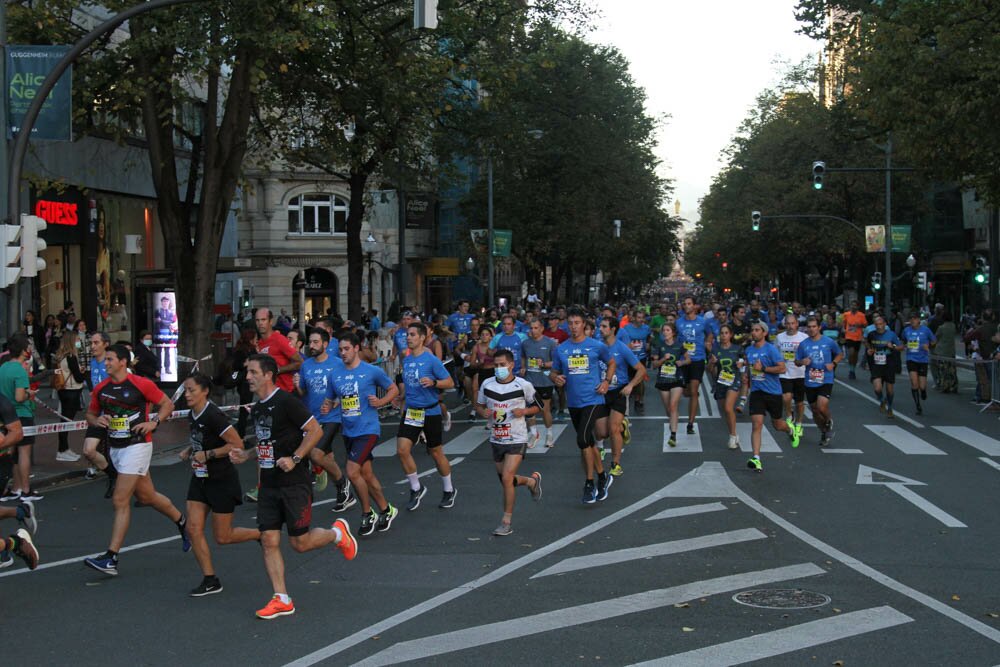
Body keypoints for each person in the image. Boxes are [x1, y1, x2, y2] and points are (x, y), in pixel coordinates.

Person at [229, 354, 357, 619]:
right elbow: (268, 442)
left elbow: (315, 431)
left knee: (299, 543)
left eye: (253, 372)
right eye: (247, 372)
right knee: (268, 539)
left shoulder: (286, 401)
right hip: (268, 484)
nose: (248, 377)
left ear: (268, 374)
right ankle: (282, 598)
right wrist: (248, 455)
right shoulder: (259, 406)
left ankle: (337, 534)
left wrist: (296, 458)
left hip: (294, 483)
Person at [83, 344, 191, 576]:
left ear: (123, 362)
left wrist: (154, 422)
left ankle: (111, 558)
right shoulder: (101, 388)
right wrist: (96, 421)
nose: (107, 363)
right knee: (147, 496)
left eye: (110, 359)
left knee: (120, 499)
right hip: (116, 448)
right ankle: (183, 522)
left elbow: (167, 404)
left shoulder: (141, 384)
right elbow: (90, 413)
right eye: (107, 360)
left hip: (138, 446)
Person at [178, 374, 261, 596]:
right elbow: (200, 439)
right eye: (185, 390)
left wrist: (210, 454)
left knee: (223, 537)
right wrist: (190, 449)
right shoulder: (191, 414)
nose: (187, 394)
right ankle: (210, 579)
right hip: (200, 478)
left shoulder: (214, 415)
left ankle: (259, 534)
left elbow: (236, 443)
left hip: (221, 479)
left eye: (191, 390)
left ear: (205, 391)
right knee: (193, 528)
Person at [330, 332, 399, 537]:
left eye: (346, 349)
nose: (342, 353)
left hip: (368, 429)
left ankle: (368, 514)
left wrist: (381, 402)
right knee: (366, 475)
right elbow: (332, 398)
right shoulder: (336, 374)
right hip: (349, 430)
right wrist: (328, 405)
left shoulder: (370, 371)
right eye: (340, 350)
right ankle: (387, 510)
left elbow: (393, 389)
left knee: (352, 472)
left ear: (356, 348)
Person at [550, 308, 615, 504]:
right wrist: (556, 378)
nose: (573, 327)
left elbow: (611, 363)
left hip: (593, 399)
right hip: (574, 402)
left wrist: (606, 381)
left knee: (582, 438)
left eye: (577, 323)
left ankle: (589, 483)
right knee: (587, 443)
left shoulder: (595, 346)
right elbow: (553, 372)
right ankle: (603, 476)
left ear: (584, 325)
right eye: (570, 323)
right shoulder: (561, 349)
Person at [476, 349, 542, 536]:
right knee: (506, 481)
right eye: (496, 365)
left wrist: (525, 412)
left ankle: (506, 522)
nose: (499, 368)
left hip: (517, 437)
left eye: (502, 365)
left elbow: (541, 405)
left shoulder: (523, 385)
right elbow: (479, 405)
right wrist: (483, 413)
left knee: (506, 479)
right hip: (496, 438)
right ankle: (530, 482)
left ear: (511, 365)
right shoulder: (487, 384)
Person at [396, 322, 458, 511]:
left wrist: (433, 382)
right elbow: (409, 383)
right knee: (402, 449)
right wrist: (401, 397)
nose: (408, 338)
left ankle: (449, 489)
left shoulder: (431, 360)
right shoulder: (406, 360)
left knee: (435, 452)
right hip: (412, 411)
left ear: (422, 337)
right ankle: (416, 487)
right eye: (407, 334)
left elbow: (449, 382)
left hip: (430, 411)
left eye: (413, 334)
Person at [297, 328, 354, 510]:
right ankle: (345, 493)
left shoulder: (337, 364)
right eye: (310, 343)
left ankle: (342, 483)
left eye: (315, 342)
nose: (311, 346)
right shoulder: (306, 365)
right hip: (313, 418)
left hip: (332, 416)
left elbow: (348, 386)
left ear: (325, 344)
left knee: (315, 453)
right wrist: (297, 385)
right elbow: (304, 393)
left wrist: (336, 401)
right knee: (326, 456)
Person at [598, 316, 646, 475]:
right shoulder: (596, 346)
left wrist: (631, 386)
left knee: (613, 429)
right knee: (601, 433)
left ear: (613, 329)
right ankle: (623, 425)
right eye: (600, 326)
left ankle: (615, 464)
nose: (600, 329)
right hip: (600, 393)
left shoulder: (622, 348)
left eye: (604, 326)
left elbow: (641, 369)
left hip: (618, 391)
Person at [744, 323, 793, 472]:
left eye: (757, 330)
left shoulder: (771, 350)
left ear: (764, 333)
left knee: (778, 425)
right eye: (752, 330)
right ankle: (756, 458)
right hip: (757, 392)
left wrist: (764, 368)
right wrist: (746, 375)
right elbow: (749, 367)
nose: (754, 332)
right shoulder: (749, 350)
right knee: (756, 424)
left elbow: (782, 368)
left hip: (773, 392)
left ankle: (790, 430)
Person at [0, 335, 40, 501]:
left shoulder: (2, 367)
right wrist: (29, 393)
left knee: (11, 452)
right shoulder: (20, 370)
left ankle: (14, 487)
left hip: (4, 416)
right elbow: (19, 397)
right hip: (21, 414)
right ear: (24, 350)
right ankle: (25, 490)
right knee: (24, 453)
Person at [795, 317, 844, 446]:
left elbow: (839, 354)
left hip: (826, 378)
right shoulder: (804, 344)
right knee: (815, 410)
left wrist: (833, 363)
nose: (811, 329)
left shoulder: (829, 342)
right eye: (809, 327)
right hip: (810, 380)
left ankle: (829, 420)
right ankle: (824, 431)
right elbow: (797, 361)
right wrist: (802, 362)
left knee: (822, 406)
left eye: (814, 326)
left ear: (819, 327)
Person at [82, 332, 115, 492]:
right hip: (97, 415)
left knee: (118, 453)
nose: (92, 346)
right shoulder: (93, 362)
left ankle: (140, 490)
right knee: (89, 450)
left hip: (113, 414)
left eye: (96, 343)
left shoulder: (112, 364)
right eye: (91, 343)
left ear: (105, 344)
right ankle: (112, 475)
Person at [677, 296, 714, 434]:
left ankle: (690, 423)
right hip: (683, 360)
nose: (686, 306)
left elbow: (710, 334)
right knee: (686, 392)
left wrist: (707, 344)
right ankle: (692, 393)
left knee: (693, 391)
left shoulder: (702, 322)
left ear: (694, 306)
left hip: (698, 359)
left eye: (689, 304)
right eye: (684, 304)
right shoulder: (678, 322)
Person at [651, 322, 690, 447]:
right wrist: (663, 359)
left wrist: (682, 363)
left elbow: (689, 359)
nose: (665, 332)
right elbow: (654, 365)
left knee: (673, 405)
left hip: (677, 379)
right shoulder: (659, 345)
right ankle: (673, 419)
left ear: (673, 332)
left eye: (667, 330)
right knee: (669, 409)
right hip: (663, 379)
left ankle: (673, 435)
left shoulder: (679, 345)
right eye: (664, 330)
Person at [521, 317, 557, 448]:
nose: (533, 330)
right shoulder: (525, 343)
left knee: (545, 409)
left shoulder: (550, 343)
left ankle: (549, 434)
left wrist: (545, 364)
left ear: (542, 328)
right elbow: (523, 356)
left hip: (545, 381)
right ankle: (534, 433)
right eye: (531, 328)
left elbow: (556, 362)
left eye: (536, 328)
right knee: (530, 410)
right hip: (530, 381)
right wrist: (523, 367)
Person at [708, 324, 743, 450]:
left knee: (729, 408)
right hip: (721, 381)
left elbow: (744, 363)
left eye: (726, 333)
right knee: (726, 411)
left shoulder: (737, 349)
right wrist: (712, 363)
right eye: (722, 333)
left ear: (731, 335)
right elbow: (709, 369)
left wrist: (741, 365)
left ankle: (732, 436)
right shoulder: (715, 350)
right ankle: (733, 432)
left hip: (734, 380)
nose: (724, 335)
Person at [54, 331, 87, 461]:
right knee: (66, 421)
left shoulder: (61, 356)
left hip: (64, 389)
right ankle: (62, 450)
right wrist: (83, 373)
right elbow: (78, 378)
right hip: (72, 390)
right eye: (77, 340)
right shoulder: (71, 357)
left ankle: (65, 448)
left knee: (65, 420)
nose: (79, 342)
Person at [776, 314, 807, 446]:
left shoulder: (804, 338)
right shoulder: (779, 337)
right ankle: (789, 416)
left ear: (797, 324)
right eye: (788, 324)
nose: (790, 326)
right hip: (785, 373)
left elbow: (808, 354)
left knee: (800, 403)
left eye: (792, 323)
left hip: (800, 373)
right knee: (786, 397)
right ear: (785, 325)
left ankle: (799, 423)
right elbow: (776, 353)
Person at [254, 308, 303, 393]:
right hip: (269, 392)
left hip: (285, 392)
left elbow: (300, 362)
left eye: (263, 320)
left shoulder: (279, 339)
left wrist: (278, 370)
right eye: (257, 320)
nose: (260, 323)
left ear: (270, 321)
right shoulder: (259, 343)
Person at [866, 314, 903, 418]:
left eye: (881, 324)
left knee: (889, 389)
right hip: (877, 364)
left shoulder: (891, 334)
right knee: (877, 388)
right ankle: (882, 400)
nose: (879, 326)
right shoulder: (872, 334)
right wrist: (869, 350)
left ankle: (890, 408)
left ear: (885, 324)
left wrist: (893, 346)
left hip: (889, 363)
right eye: (877, 324)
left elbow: (901, 346)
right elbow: (868, 344)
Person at [902, 311, 936, 415]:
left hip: (923, 360)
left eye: (915, 318)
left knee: (922, 386)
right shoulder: (906, 330)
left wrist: (929, 346)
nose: (913, 320)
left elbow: (934, 341)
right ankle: (918, 406)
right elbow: (902, 341)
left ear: (919, 320)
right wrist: (904, 345)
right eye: (911, 318)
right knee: (914, 383)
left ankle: (923, 391)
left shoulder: (926, 330)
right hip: (911, 359)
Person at [621, 309, 651, 414]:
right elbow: (621, 341)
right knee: (628, 379)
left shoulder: (646, 328)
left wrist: (648, 344)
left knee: (640, 380)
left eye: (642, 317)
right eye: (639, 317)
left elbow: (649, 338)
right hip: (629, 357)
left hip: (641, 357)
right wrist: (628, 346)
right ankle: (625, 400)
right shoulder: (626, 328)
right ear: (633, 318)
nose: (641, 320)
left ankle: (639, 401)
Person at [932, 312, 958, 394]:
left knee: (943, 370)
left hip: (942, 351)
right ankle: (953, 386)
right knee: (952, 370)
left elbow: (936, 337)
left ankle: (945, 386)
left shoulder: (941, 328)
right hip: (951, 351)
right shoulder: (953, 326)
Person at [841, 301, 868, 379]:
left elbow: (865, 324)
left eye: (855, 306)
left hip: (858, 337)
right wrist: (843, 329)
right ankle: (850, 369)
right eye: (852, 305)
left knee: (855, 355)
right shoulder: (846, 314)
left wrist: (860, 325)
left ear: (857, 307)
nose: (853, 307)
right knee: (851, 353)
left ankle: (852, 370)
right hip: (849, 336)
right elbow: (844, 323)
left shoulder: (861, 315)